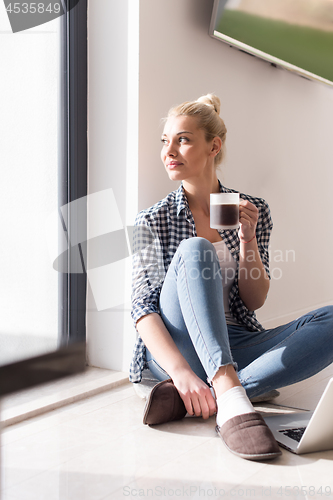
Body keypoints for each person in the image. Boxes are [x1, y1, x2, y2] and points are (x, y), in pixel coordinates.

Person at [129, 93, 333, 460]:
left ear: (214, 145)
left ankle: (206, 396)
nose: (169, 151)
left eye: (183, 139)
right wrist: (179, 371)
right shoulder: (152, 220)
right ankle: (226, 391)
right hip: (180, 345)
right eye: (166, 141)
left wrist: (247, 239)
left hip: (237, 339)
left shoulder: (252, 210)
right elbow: (142, 310)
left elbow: (254, 301)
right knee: (195, 250)